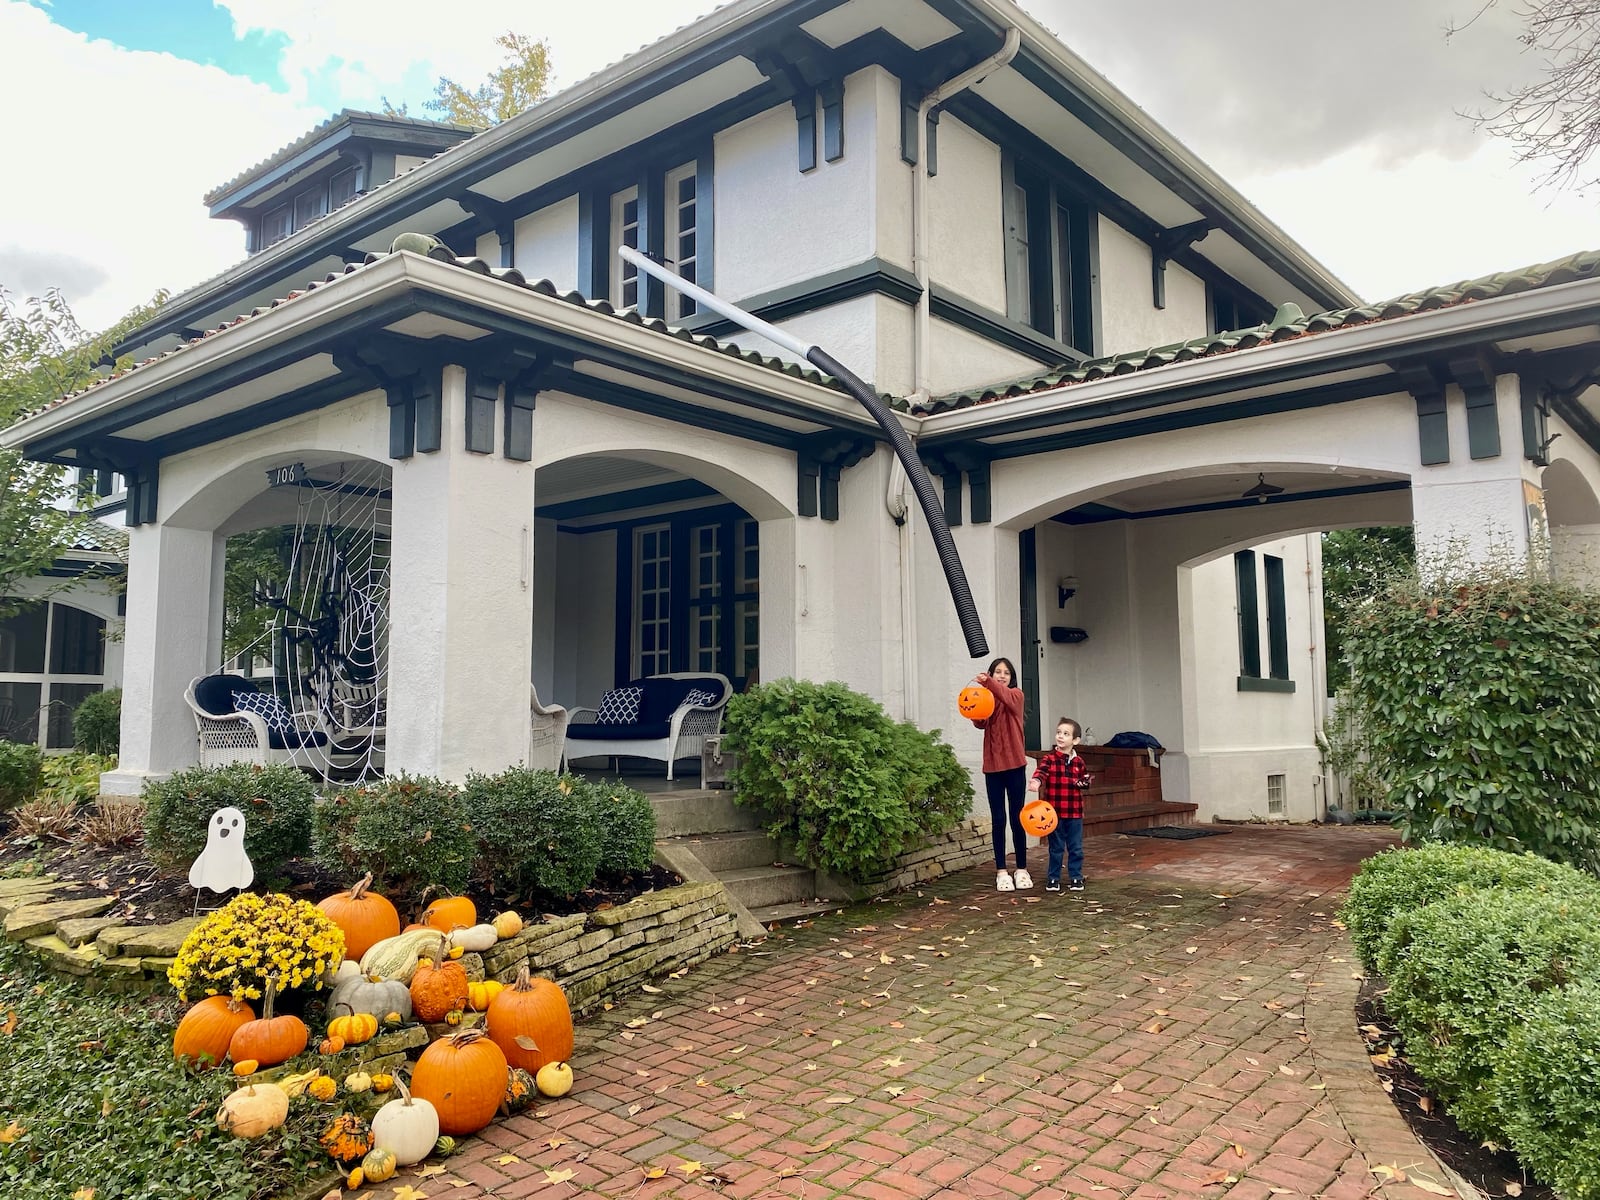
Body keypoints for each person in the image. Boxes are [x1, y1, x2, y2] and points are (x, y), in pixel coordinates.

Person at [972, 656, 1031, 891]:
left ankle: (1022, 868)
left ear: (1011, 677)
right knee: (998, 819)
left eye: (1006, 672)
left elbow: (1005, 697)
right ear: (992, 673)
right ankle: (1001, 871)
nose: (1002, 675)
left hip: (1015, 765)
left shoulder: (1016, 695)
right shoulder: (988, 698)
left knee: (1018, 818)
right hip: (993, 767)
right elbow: (980, 723)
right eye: (998, 672)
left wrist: (988, 683)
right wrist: (977, 709)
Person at [1028, 716, 1092, 892]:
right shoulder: (1049, 759)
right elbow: (1041, 772)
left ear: (1075, 740)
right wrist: (1036, 782)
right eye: (1058, 732)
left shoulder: (1079, 762)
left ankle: (1076, 877)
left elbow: (1086, 779)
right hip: (1053, 813)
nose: (1060, 736)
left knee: (1076, 848)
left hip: (1075, 813)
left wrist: (1084, 783)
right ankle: (1053, 878)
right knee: (1056, 848)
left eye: (1066, 734)